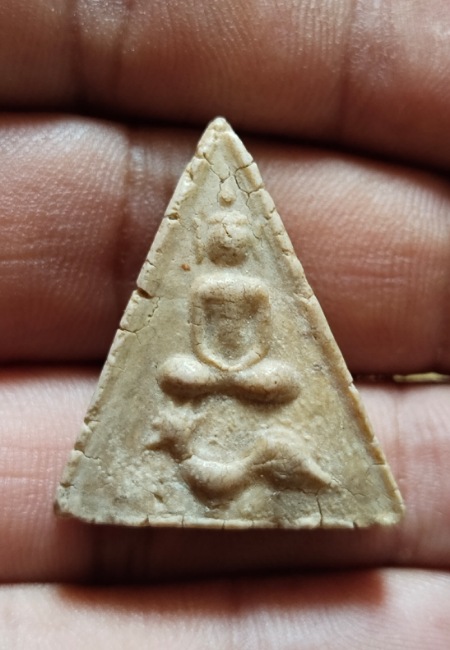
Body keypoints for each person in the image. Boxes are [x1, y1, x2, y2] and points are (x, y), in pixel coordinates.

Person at [1, 1, 449, 646]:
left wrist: (241, 370)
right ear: (213, 238)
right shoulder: (208, 284)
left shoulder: (251, 287)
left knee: (283, 380)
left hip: (254, 372)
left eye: (239, 234)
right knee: (173, 368)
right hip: (204, 370)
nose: (233, 240)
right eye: (224, 233)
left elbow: (264, 340)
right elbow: (196, 337)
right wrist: (215, 368)